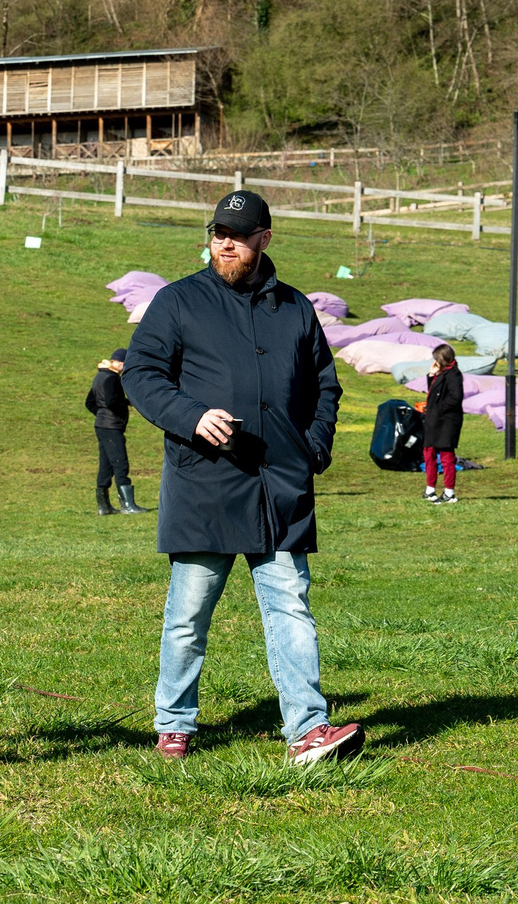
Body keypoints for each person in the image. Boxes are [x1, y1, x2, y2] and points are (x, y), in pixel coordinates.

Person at [122, 188, 361, 767]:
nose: (224, 243)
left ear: (264, 239)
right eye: (216, 234)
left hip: (280, 486)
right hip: (205, 482)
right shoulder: (178, 302)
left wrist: (312, 450)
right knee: (189, 615)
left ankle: (308, 730)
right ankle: (174, 722)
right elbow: (142, 373)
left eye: (237, 235)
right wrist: (190, 417)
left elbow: (325, 386)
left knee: (291, 608)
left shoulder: (296, 308)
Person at [87, 348, 148, 515]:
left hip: (102, 425)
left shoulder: (99, 376)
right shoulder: (112, 378)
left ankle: (104, 507)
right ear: (119, 362)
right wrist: (126, 403)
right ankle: (128, 505)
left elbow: (90, 402)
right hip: (111, 426)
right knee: (121, 463)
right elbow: (111, 401)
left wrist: (100, 415)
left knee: (106, 465)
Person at [421, 342, 464, 505]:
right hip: (434, 420)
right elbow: (434, 392)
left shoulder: (454, 374)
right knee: (428, 452)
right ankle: (430, 489)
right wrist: (431, 376)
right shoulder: (442, 373)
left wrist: (438, 408)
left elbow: (455, 397)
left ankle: (449, 492)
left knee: (446, 456)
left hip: (446, 422)